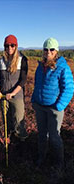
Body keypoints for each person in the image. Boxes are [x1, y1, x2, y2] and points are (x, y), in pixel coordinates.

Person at [31, 38, 74, 169]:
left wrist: (59, 106)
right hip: (40, 107)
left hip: (54, 109)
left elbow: (69, 88)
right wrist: (34, 100)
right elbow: (37, 85)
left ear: (56, 51)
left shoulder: (62, 67)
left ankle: (58, 163)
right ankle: (41, 158)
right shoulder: (40, 66)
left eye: (51, 49)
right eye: (46, 49)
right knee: (42, 135)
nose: (48, 52)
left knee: (54, 137)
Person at [0, 34, 28, 141]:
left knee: (18, 121)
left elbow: (23, 80)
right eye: (7, 46)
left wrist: (13, 93)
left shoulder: (22, 59)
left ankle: (21, 144)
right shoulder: (1, 60)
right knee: (6, 121)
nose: (10, 48)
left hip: (17, 96)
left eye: (12, 45)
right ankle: (9, 141)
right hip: (3, 96)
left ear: (16, 46)